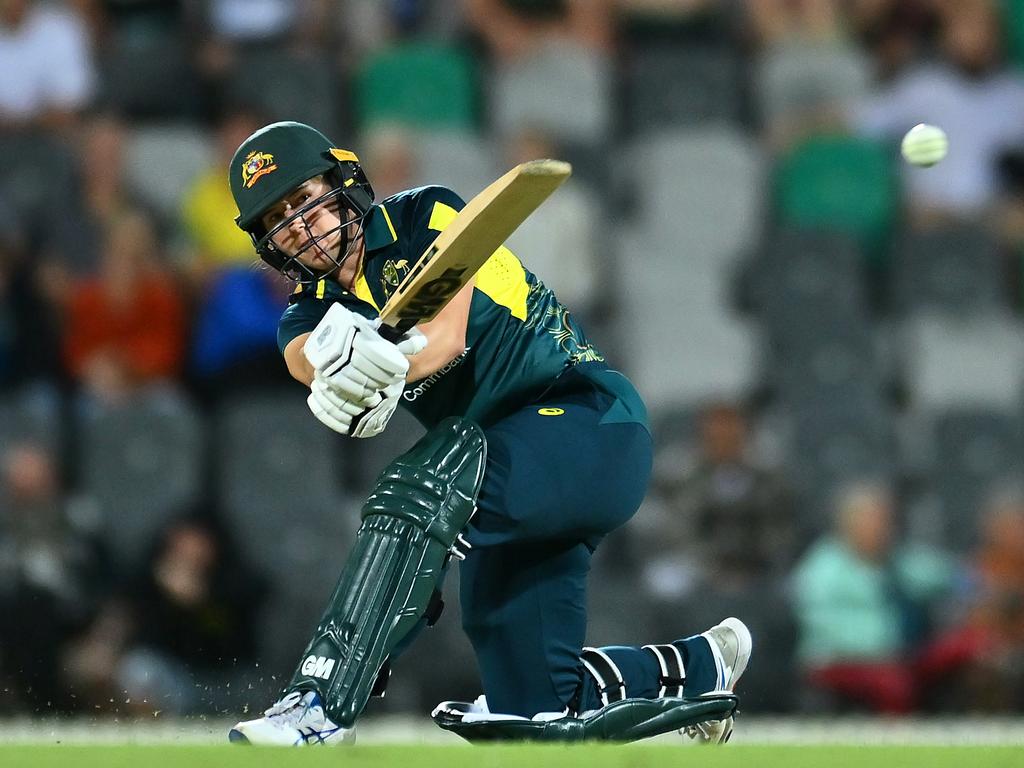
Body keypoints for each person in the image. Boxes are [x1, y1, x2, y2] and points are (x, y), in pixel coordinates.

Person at [223, 121, 751, 745]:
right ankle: (695, 666)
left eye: (303, 197)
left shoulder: (425, 214)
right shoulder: (308, 311)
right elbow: (303, 356)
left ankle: (321, 702)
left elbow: (447, 336)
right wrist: (330, 374)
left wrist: (383, 362)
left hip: (588, 426)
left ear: (343, 181)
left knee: (422, 480)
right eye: (279, 217)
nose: (301, 225)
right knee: (533, 710)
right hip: (505, 476)